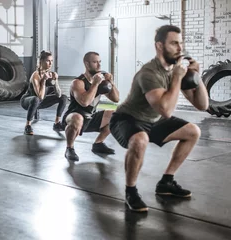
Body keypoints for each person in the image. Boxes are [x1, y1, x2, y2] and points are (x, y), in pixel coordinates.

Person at [109, 25, 209, 212]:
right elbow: (166, 110)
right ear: (159, 46)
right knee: (140, 139)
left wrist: (197, 76)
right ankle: (131, 191)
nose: (180, 49)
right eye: (173, 43)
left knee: (193, 131)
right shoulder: (149, 73)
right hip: (127, 119)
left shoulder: (176, 71)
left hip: (152, 120)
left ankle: (166, 182)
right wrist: (178, 79)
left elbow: (202, 105)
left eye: (180, 43)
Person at [62, 51, 120, 161]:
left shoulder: (100, 82)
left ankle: (98, 144)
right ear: (87, 64)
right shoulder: (78, 82)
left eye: (99, 62)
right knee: (77, 118)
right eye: (95, 62)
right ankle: (69, 148)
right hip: (73, 117)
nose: (99, 65)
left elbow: (116, 99)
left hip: (90, 117)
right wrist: (95, 84)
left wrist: (111, 82)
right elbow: (85, 102)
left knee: (117, 113)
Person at [20, 50, 68, 135]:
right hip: (27, 101)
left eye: (52, 61)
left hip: (40, 102)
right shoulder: (35, 75)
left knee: (63, 97)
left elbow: (59, 95)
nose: (50, 63)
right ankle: (27, 126)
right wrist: (44, 81)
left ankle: (57, 123)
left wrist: (56, 80)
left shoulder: (50, 74)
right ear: (41, 61)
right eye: (48, 61)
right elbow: (40, 96)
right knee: (35, 99)